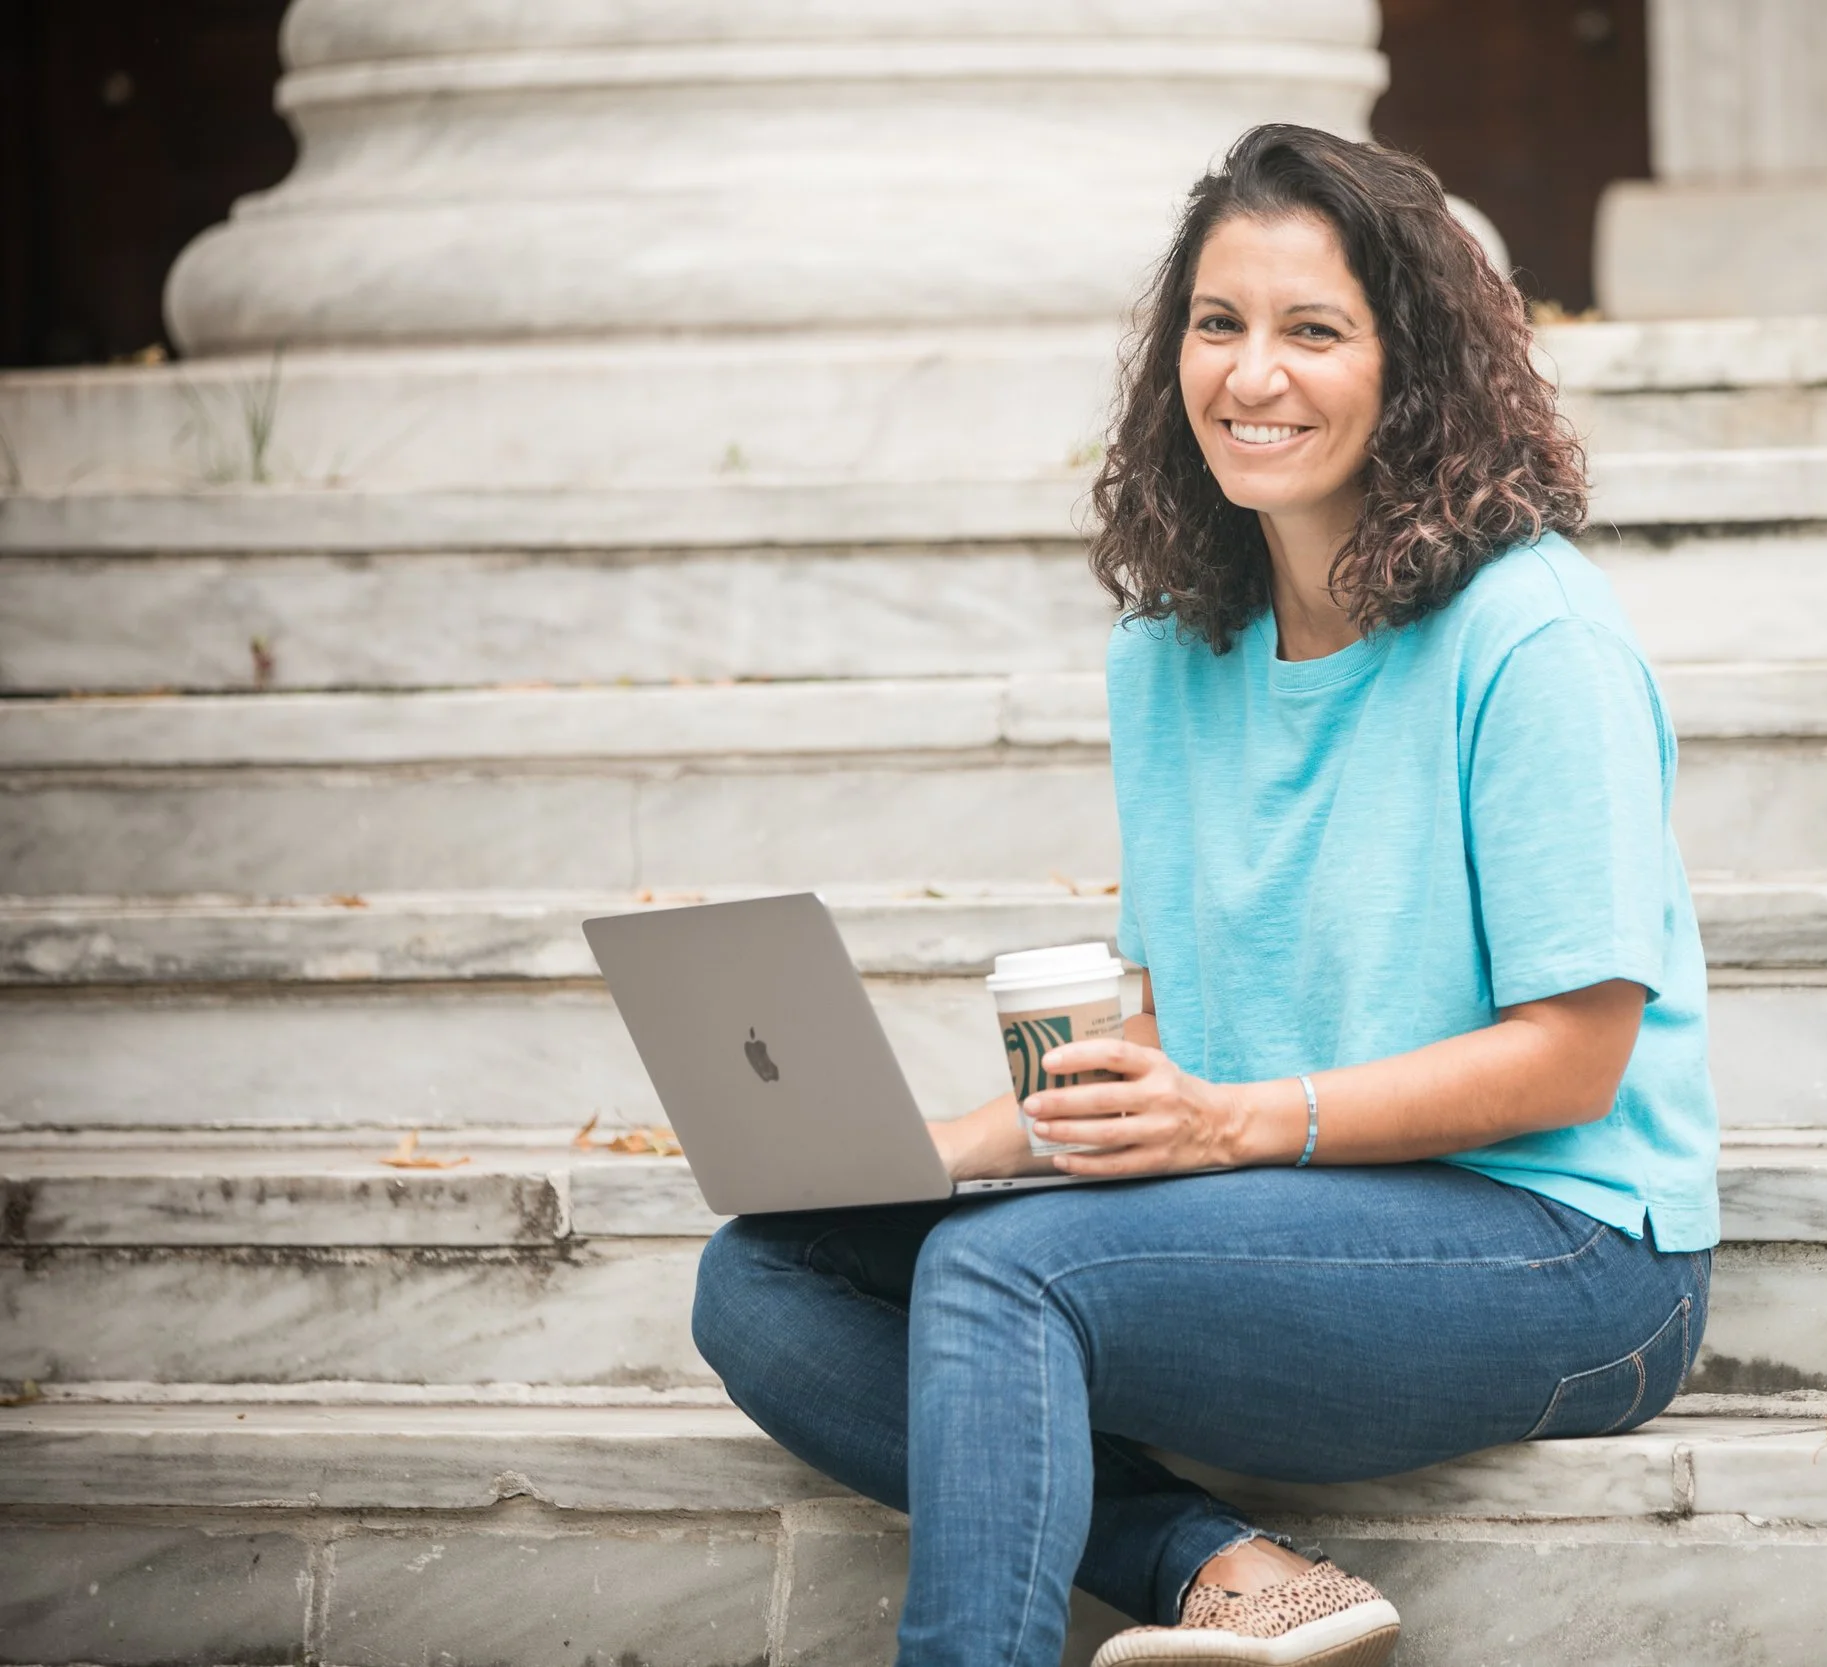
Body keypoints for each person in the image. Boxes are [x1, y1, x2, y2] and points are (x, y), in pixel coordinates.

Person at [692, 123, 1718, 1667]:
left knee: (1000, 1271)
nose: (1253, 376)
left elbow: (1574, 1056)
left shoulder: (1534, 639)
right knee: (762, 1275)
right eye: (1219, 324)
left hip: (1571, 1250)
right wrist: (923, 1150)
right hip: (1292, 1201)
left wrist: (1233, 1122)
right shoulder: (1172, 651)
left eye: (1315, 330)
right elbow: (1169, 1001)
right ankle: (1219, 1563)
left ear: (1415, 367)